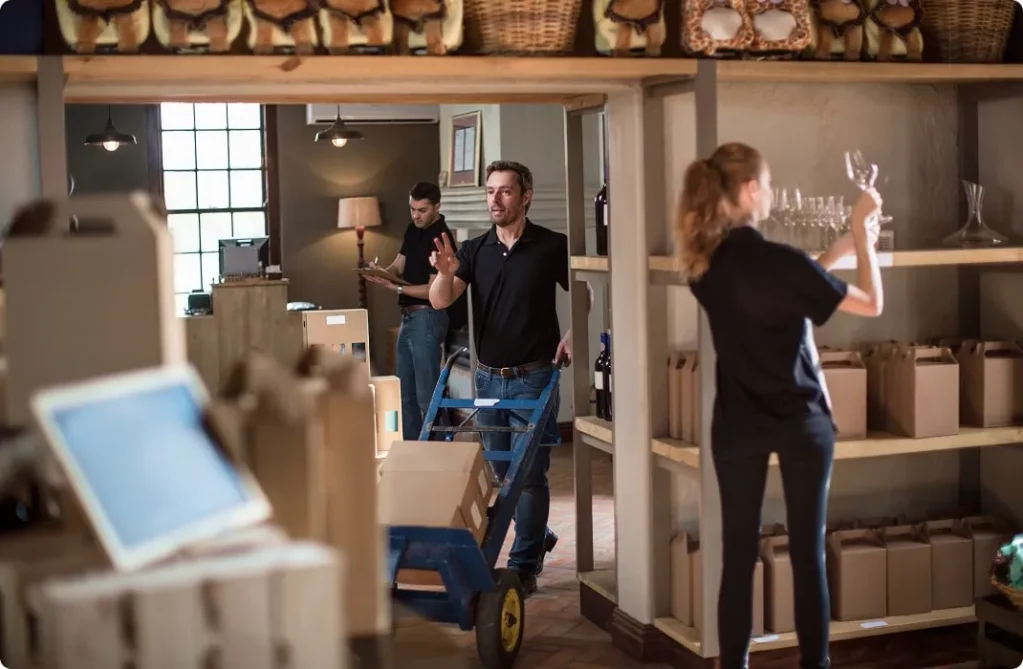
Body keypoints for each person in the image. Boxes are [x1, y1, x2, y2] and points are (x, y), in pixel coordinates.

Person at [675, 143, 883, 669]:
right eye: (766, 184)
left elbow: (776, 286)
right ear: (750, 191)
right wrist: (861, 234)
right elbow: (872, 303)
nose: (769, 192)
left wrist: (831, 255)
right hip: (802, 422)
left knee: (737, 556)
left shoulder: (703, 266)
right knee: (808, 555)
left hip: (737, 425)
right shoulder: (782, 263)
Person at [428, 160, 568, 595]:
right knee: (498, 472)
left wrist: (576, 333)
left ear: (525, 196)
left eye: (505, 191)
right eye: (491, 191)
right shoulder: (475, 250)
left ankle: (524, 566)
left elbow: (587, 286)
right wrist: (445, 272)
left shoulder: (552, 245)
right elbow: (439, 301)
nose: (495, 199)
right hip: (487, 379)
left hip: (534, 377)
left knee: (528, 476)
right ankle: (537, 534)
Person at [366, 182, 453, 440]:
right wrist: (380, 273)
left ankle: (438, 454)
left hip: (428, 316)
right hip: (409, 318)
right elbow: (398, 265)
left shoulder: (441, 239)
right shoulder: (413, 229)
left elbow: (432, 290)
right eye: (412, 209)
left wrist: (397, 290)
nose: (416, 215)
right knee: (406, 394)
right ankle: (415, 453)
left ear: (437, 207)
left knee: (427, 394)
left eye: (423, 210)